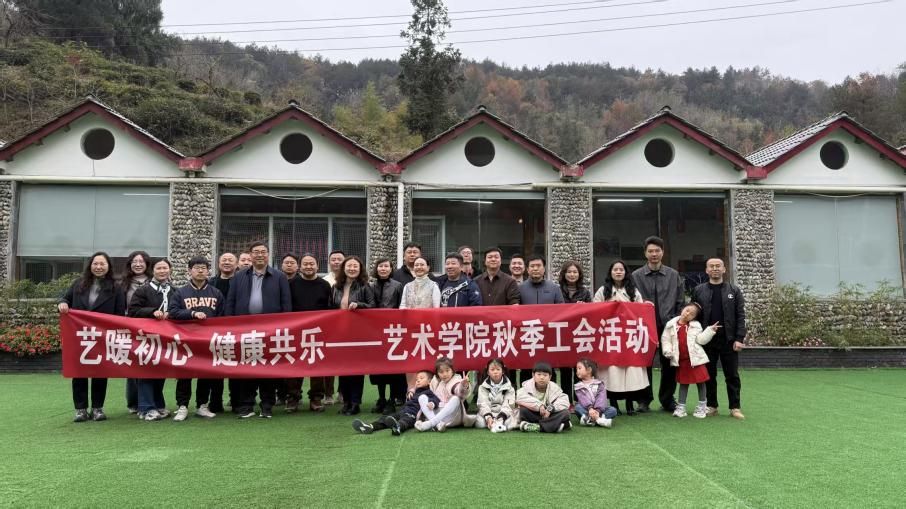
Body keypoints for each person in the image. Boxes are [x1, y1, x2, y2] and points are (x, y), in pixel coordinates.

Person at [225, 242, 292, 419]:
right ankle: (247, 406)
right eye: (256, 252)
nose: (260, 255)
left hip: (270, 331)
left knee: (268, 369)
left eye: (263, 252)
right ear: (250, 255)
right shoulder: (239, 276)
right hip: (244, 331)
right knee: (246, 368)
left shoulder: (279, 277)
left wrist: (284, 327)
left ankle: (267, 406)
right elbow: (231, 302)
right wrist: (229, 326)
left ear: (268, 255)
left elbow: (286, 304)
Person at [59, 252, 126, 423]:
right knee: (79, 372)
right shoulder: (78, 284)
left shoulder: (116, 287)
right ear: (90, 266)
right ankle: (80, 409)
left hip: (102, 337)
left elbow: (120, 314)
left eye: (102, 264)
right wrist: (62, 303)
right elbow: (65, 299)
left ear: (108, 267)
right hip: (80, 336)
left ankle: (97, 408)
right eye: (95, 264)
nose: (98, 267)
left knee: (100, 373)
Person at [631, 236, 684, 413]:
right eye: (650, 251)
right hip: (644, 327)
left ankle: (667, 399)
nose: (654, 254)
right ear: (645, 253)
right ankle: (643, 399)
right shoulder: (636, 276)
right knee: (643, 364)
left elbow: (680, 301)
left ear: (663, 252)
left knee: (669, 363)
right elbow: (631, 301)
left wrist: (676, 321)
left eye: (657, 251)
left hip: (669, 326)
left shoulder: (673, 275)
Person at [168, 256, 225, 421]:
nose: (200, 271)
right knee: (184, 373)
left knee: (205, 373)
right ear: (189, 271)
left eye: (203, 268)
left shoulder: (216, 293)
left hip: (208, 340)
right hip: (186, 340)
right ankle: (182, 406)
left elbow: (223, 316)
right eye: (196, 268)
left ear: (208, 271)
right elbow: (173, 312)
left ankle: (202, 405)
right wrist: (192, 313)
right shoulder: (181, 292)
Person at [692, 257, 747, 420]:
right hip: (707, 341)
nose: (715, 269)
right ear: (706, 270)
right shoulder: (699, 290)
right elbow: (694, 315)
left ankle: (735, 407)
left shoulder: (734, 290)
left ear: (724, 269)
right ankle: (712, 406)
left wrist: (739, 338)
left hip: (729, 340)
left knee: (732, 376)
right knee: (709, 375)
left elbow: (740, 315)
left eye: (718, 266)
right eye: (711, 266)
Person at [593, 260, 650, 416]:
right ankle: (613, 404)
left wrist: (645, 306)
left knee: (629, 370)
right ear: (610, 272)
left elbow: (640, 310)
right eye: (615, 269)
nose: (618, 272)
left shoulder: (633, 291)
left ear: (626, 272)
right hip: (610, 336)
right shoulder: (603, 290)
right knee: (611, 372)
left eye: (621, 269)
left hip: (628, 336)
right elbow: (595, 310)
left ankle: (630, 404)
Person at [127, 258, 173, 421]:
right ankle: (146, 408)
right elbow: (133, 311)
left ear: (170, 270)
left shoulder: (174, 291)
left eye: (165, 268)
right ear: (152, 271)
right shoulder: (143, 290)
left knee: (160, 372)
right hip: (145, 338)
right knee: (146, 372)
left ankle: (158, 405)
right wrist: (152, 311)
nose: (162, 271)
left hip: (166, 338)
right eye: (158, 268)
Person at [518, 255, 570, 396]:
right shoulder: (520, 288)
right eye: (532, 266)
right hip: (527, 336)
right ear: (527, 269)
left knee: (548, 367)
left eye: (538, 266)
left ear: (544, 268)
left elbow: (561, 310)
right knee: (526, 368)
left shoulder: (554, 288)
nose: (535, 269)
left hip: (548, 336)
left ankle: (551, 397)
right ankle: (525, 397)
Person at [288, 253, 333, 413]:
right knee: (294, 365)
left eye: (311, 263)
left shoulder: (325, 285)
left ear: (317, 266)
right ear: (300, 266)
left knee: (317, 366)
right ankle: (293, 398)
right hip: (295, 331)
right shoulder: (291, 284)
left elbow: (329, 308)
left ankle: (316, 398)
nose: (308, 266)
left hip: (317, 332)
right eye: (305, 264)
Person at [331, 255, 376, 415]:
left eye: (355, 266)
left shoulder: (365, 286)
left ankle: (355, 403)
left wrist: (359, 305)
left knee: (356, 369)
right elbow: (331, 308)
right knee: (343, 369)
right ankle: (346, 402)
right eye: (349, 266)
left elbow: (373, 306)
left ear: (360, 269)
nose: (352, 269)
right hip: (340, 333)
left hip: (358, 334)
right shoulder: (336, 287)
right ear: (343, 268)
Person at [661, 303, 718, 419]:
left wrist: (710, 331)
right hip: (682, 361)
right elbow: (666, 340)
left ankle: (702, 407)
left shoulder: (696, 326)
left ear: (694, 318)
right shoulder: (670, 325)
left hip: (696, 360)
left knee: (701, 383)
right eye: (687, 310)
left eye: (692, 314)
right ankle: (681, 408)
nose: (687, 314)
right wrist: (668, 351)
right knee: (683, 384)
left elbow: (701, 340)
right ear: (682, 309)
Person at [369, 258, 406, 415]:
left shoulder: (397, 286)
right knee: (377, 368)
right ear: (376, 268)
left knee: (393, 368)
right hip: (375, 331)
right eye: (380, 266)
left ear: (391, 269)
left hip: (393, 331)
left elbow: (401, 307)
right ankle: (381, 398)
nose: (383, 269)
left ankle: (392, 399)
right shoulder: (370, 286)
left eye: (386, 266)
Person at [351, 370, 440, 436]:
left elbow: (436, 399)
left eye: (421, 378)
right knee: (386, 418)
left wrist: (432, 403)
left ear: (430, 381)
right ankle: (370, 426)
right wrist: (411, 392)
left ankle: (398, 427)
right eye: (417, 379)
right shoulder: (414, 392)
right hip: (402, 411)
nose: (418, 380)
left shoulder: (429, 392)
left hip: (412, 415)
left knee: (405, 421)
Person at [119, 250, 152, 415]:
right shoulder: (122, 284)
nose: (138, 265)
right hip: (129, 328)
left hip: (150, 329)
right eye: (134, 262)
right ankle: (133, 402)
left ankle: (149, 401)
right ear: (130, 264)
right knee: (132, 366)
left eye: (141, 262)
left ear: (147, 264)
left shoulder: (154, 281)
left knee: (149, 364)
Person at [209, 252, 237, 413]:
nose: (227, 262)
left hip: (236, 330)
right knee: (216, 367)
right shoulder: (211, 283)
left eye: (230, 260)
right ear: (218, 263)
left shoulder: (241, 281)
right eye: (224, 260)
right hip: (215, 331)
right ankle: (215, 402)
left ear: (236, 264)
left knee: (236, 367)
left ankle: (236, 401)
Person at [415, 357, 473, 432]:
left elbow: (460, 391)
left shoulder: (457, 380)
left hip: (451, 416)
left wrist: (464, 385)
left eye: (447, 370)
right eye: (441, 372)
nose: (445, 374)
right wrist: (432, 403)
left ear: (452, 371)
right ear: (437, 374)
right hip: (438, 414)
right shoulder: (438, 383)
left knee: (456, 399)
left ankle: (430, 424)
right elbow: (434, 397)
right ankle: (437, 424)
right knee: (422, 397)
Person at [318, 249, 345, 406]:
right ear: (329, 262)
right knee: (328, 360)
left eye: (339, 259)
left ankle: (342, 392)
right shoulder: (324, 281)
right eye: (333, 259)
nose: (336, 262)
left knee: (344, 360)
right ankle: (328, 393)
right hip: (328, 327)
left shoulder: (350, 280)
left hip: (346, 327)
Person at [516, 362, 572, 433]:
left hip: (549, 415)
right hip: (534, 414)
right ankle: (554, 425)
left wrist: (551, 408)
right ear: (533, 375)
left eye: (545, 375)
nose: (542, 377)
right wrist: (539, 406)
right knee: (523, 411)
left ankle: (538, 427)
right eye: (539, 374)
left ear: (550, 377)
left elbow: (564, 400)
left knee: (566, 413)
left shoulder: (554, 387)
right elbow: (519, 397)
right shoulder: (527, 386)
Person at [276, 253, 301, 407]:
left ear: (297, 266)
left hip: (298, 327)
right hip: (278, 328)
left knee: (296, 362)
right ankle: (280, 394)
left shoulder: (301, 282)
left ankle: (295, 395)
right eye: (286, 262)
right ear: (281, 265)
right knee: (279, 360)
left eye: (292, 262)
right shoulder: (276, 280)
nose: (289, 265)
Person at [474, 358, 518, 432]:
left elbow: (508, 405)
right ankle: (492, 423)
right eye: (492, 370)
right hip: (489, 412)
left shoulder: (510, 387)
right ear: (488, 372)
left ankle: (498, 423)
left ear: (503, 371)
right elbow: (483, 404)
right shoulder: (482, 387)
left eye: (498, 369)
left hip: (503, 413)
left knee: (509, 423)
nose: (495, 372)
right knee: (480, 424)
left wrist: (501, 418)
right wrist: (488, 417)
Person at [573, 358, 616, 428]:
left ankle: (589, 420)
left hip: (599, 410)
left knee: (612, 410)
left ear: (589, 370)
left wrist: (597, 410)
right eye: (576, 369)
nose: (577, 371)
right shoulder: (578, 386)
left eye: (579, 368)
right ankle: (599, 420)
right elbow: (583, 399)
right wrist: (590, 408)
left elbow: (601, 398)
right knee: (577, 407)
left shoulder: (599, 384)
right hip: (587, 409)